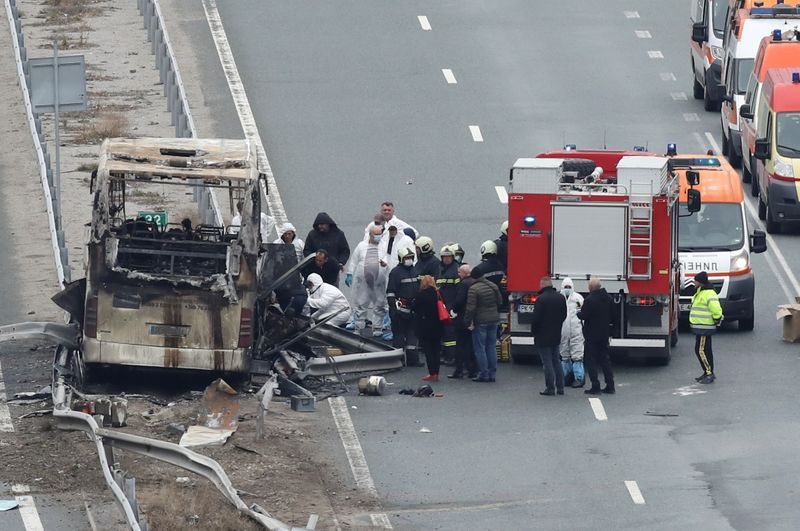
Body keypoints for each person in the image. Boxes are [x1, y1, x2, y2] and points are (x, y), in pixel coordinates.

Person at [347, 226, 388, 337]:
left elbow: (387, 258)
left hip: (378, 282)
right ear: (370, 234)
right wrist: (349, 273)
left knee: (379, 304)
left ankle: (378, 329)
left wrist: (385, 263)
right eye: (376, 234)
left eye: (380, 234)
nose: (379, 237)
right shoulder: (361, 246)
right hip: (363, 281)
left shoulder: (384, 245)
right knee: (361, 304)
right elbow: (353, 260)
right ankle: (359, 328)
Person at [463, 268, 502, 383]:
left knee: (480, 348)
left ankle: (483, 374)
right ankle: (492, 373)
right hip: (494, 319)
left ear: (473, 277)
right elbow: (500, 301)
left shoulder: (473, 289)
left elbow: (470, 308)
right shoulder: (493, 286)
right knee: (491, 347)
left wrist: (466, 321)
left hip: (480, 321)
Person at [578, 277, 615, 395]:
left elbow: (584, 315)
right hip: (604, 333)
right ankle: (610, 385)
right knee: (605, 359)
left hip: (591, 334)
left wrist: (578, 313)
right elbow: (614, 315)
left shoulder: (590, 300)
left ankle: (595, 385)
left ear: (591, 288)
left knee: (591, 360)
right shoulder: (608, 298)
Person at [531, 277, 567, 396]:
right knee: (556, 360)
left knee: (547, 362)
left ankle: (550, 388)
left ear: (542, 285)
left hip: (542, 334)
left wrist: (534, 332)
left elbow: (536, 319)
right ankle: (561, 387)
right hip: (556, 333)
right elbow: (564, 315)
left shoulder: (541, 299)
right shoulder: (560, 297)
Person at [387, 247, 421, 366]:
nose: (409, 260)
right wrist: (393, 308)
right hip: (400, 310)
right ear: (401, 259)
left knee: (412, 336)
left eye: (411, 258)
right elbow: (390, 292)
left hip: (413, 310)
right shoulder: (395, 273)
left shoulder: (415, 271)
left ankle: (413, 360)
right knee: (399, 336)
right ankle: (397, 361)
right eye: (407, 258)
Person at [689, 271, 723, 384]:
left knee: (700, 350)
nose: (694, 282)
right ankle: (706, 372)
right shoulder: (701, 292)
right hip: (701, 326)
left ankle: (709, 373)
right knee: (706, 350)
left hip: (704, 326)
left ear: (700, 282)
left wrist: (717, 318)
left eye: (696, 281)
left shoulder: (708, 294)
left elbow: (716, 309)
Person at [303, 212, 350, 285]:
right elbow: (307, 250)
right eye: (318, 224)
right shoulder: (312, 235)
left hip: (332, 270)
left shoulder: (338, 234)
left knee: (332, 292)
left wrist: (341, 262)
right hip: (315, 269)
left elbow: (345, 250)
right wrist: (314, 259)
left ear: (328, 224)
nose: (319, 226)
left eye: (322, 224)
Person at [448, 264, 477, 379]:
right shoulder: (474, 282)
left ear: (464, 273)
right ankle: (472, 370)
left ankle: (459, 370)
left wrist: (453, 309)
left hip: (462, 319)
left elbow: (459, 301)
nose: (458, 275)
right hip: (472, 318)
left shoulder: (464, 284)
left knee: (460, 345)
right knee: (470, 344)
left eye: (459, 272)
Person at [413, 275, 443, 381]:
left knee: (428, 351)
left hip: (425, 326)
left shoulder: (421, 294)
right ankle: (437, 373)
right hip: (438, 325)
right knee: (436, 350)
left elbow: (414, 307)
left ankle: (432, 373)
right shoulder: (437, 293)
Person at [559, 277, 585, 388]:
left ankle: (579, 378)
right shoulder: (559, 298)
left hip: (576, 330)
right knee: (564, 355)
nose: (567, 289)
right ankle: (566, 377)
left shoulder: (578, 298)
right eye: (566, 287)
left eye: (569, 287)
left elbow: (583, 314)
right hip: (563, 331)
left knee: (577, 355)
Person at [437, 245, 460, 364]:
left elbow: (458, 290)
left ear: (452, 257)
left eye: (449, 257)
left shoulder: (456, 269)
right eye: (444, 257)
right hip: (442, 306)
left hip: (451, 307)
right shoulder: (440, 268)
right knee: (443, 332)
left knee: (450, 333)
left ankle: (452, 357)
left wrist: (455, 308)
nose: (447, 259)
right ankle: (446, 355)